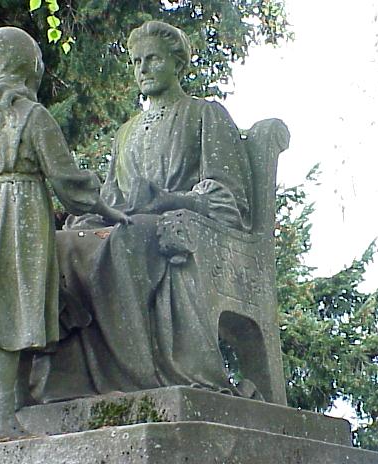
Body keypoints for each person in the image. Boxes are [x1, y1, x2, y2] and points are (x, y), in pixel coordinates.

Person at [30, 20, 253, 402]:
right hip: (126, 223)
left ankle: (137, 375)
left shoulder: (205, 114)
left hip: (171, 227)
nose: (143, 69)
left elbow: (226, 196)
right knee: (61, 245)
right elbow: (113, 198)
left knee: (125, 240)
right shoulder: (126, 132)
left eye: (153, 59)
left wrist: (170, 199)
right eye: (136, 62)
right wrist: (88, 216)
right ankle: (72, 376)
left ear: (177, 64)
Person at [0, 26, 129, 443]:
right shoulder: (31, 116)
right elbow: (67, 181)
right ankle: (1, 421)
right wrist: (108, 210)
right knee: (14, 304)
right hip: (19, 212)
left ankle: (13, 404)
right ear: (28, 66)